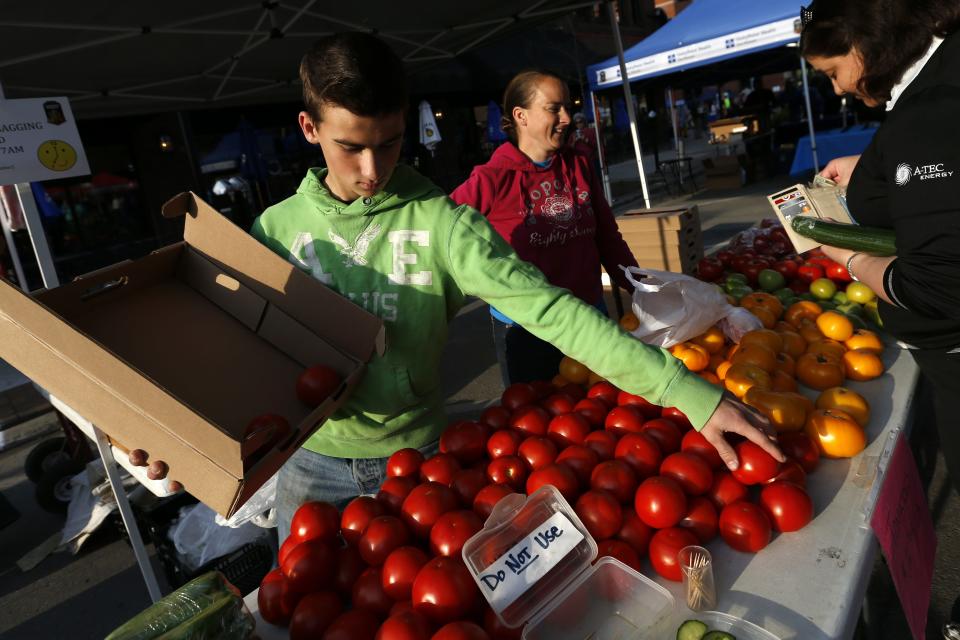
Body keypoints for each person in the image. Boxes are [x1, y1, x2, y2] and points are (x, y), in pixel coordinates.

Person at [132, 33, 782, 543]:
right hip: (310, 466)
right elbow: (232, 350)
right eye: (350, 146)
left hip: (421, 463)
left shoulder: (444, 223)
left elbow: (552, 312)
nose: (370, 170)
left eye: (388, 145)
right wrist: (173, 437)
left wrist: (683, 392)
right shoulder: (274, 232)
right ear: (309, 130)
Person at [802, 2, 960, 488]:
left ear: (863, 44)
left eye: (833, 72)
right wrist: (878, 167)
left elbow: (934, 286)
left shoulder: (927, 113)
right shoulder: (945, 69)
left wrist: (851, 259)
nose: (839, 89)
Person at [450, 72, 638, 386]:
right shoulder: (492, 178)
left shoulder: (578, 163)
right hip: (527, 329)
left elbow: (607, 236)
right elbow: (443, 232)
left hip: (589, 315)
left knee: (603, 410)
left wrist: (640, 287)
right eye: (554, 109)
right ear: (520, 116)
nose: (566, 117)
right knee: (539, 420)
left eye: (567, 106)